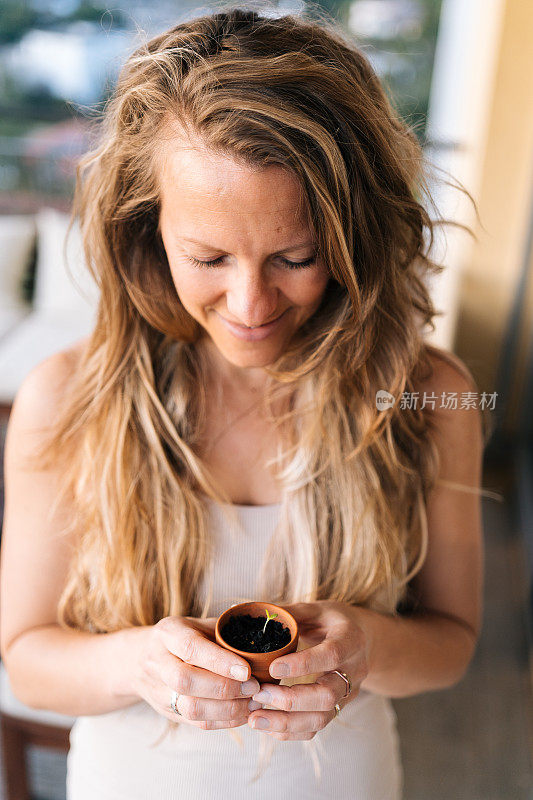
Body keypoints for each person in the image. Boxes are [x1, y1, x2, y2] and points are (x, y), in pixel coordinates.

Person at [0, 5, 490, 799]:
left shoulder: (429, 397)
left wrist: (366, 644)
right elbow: (28, 655)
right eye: (208, 257)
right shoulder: (66, 398)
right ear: (145, 228)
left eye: (295, 256)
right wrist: (137, 662)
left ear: (353, 233)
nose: (250, 303)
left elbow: (452, 642)